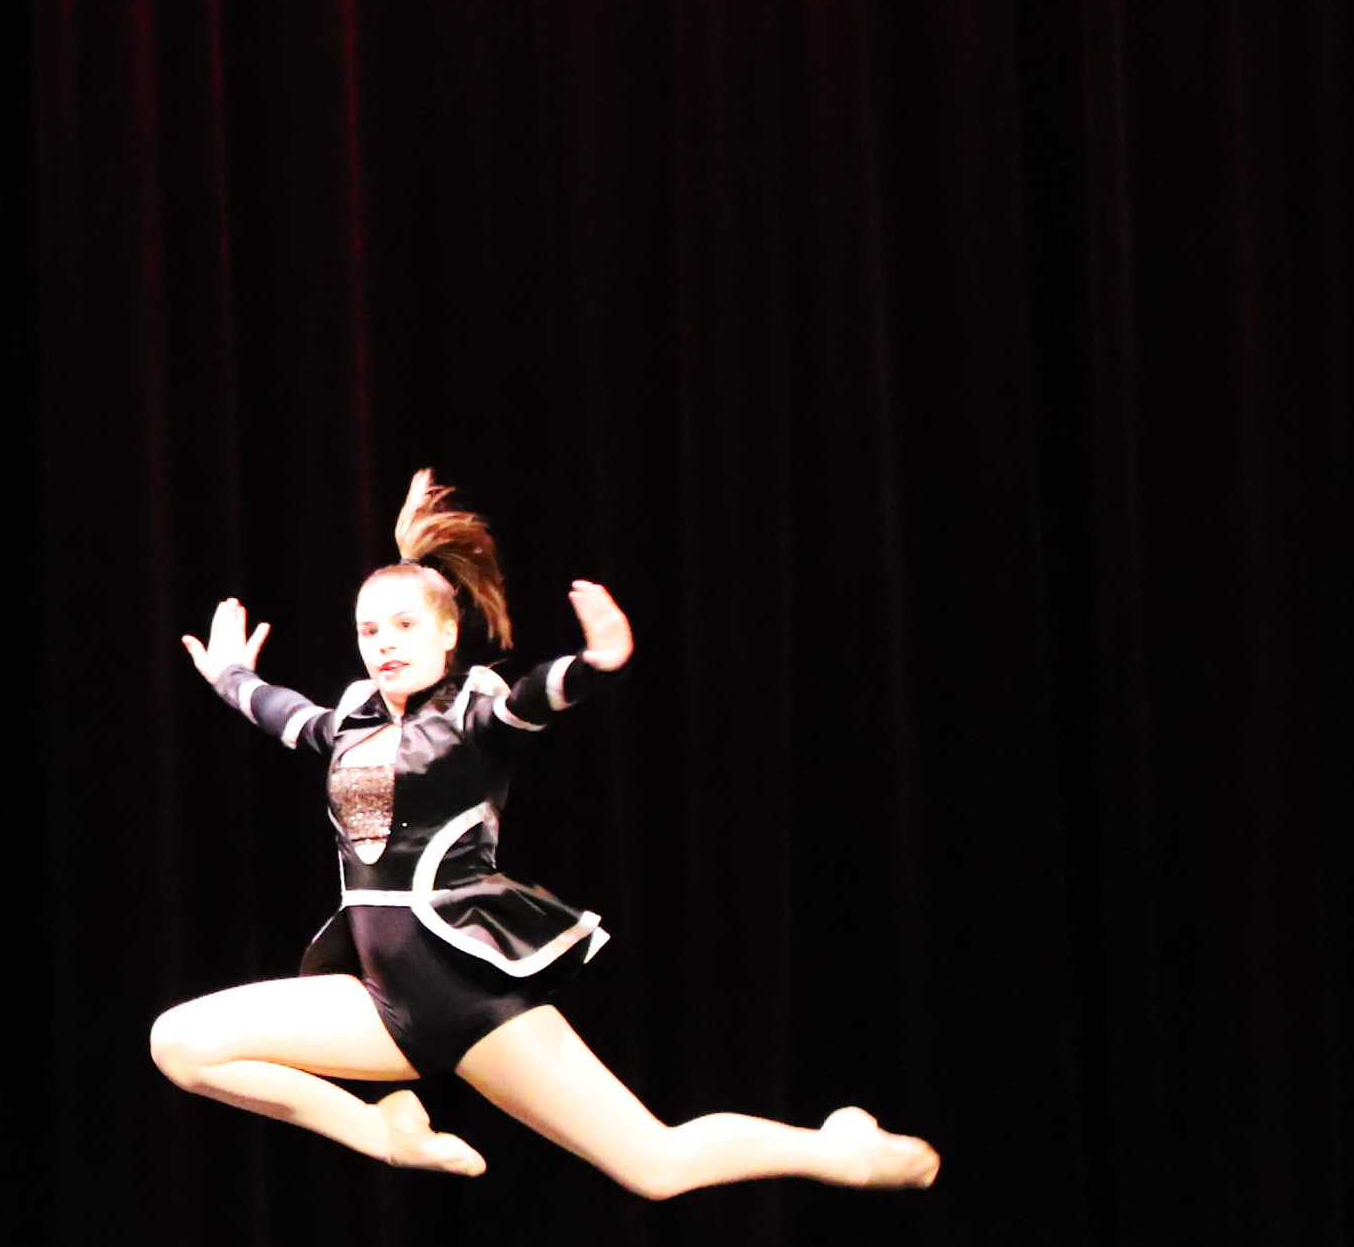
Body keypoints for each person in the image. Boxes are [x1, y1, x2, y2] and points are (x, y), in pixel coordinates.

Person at [148, 472, 937, 1199]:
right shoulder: (350, 721)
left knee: (654, 1167)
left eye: (403, 625)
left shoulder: (470, 712)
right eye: (368, 629)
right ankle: (388, 1134)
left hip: (471, 997)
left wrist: (594, 663)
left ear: (446, 632)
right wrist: (230, 678)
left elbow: (528, 701)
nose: (383, 642)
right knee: (179, 1044)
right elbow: (285, 714)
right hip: (382, 1001)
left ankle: (838, 1149)